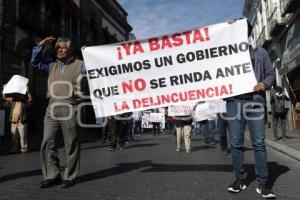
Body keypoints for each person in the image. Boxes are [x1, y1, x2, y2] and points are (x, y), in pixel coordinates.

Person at [226, 19, 276, 199]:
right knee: (236, 143)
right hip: (234, 102)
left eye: (242, 29)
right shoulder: (225, 53)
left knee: (259, 143)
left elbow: (270, 74)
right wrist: (227, 26)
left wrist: (265, 83)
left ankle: (263, 184)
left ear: (247, 32)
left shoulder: (260, 52)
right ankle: (239, 179)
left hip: (254, 102)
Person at [31, 36, 86, 188]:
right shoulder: (51, 65)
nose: (58, 50)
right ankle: (52, 174)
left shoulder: (81, 65)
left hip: (70, 106)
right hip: (52, 107)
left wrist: (90, 55)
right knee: (47, 141)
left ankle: (70, 175)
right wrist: (41, 44)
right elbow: (34, 62)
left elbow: (98, 71)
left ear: (70, 49)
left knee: (71, 143)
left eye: (62, 47)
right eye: (56, 48)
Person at [3, 87, 32, 153]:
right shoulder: (13, 100)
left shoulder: (25, 101)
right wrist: (4, 90)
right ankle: (14, 149)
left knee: (23, 136)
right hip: (14, 121)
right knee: (14, 136)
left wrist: (28, 92)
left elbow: (30, 100)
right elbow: (5, 98)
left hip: (22, 121)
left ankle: (23, 149)